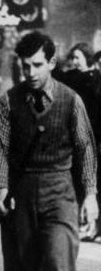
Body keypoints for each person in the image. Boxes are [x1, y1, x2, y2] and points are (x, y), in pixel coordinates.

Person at [0, 31, 98, 271]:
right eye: (25, 66)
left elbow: (84, 149)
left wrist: (90, 195)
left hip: (60, 190)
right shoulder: (9, 102)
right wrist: (3, 189)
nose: (31, 72)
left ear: (51, 62)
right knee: (24, 262)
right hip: (21, 192)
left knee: (57, 259)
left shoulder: (71, 101)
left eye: (37, 65)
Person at [53, 42, 101, 239]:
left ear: (88, 59)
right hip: (75, 135)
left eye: (77, 58)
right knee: (77, 178)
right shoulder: (74, 78)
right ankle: (83, 221)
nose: (74, 62)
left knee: (88, 180)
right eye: (72, 58)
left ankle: (90, 223)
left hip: (92, 136)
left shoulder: (95, 80)